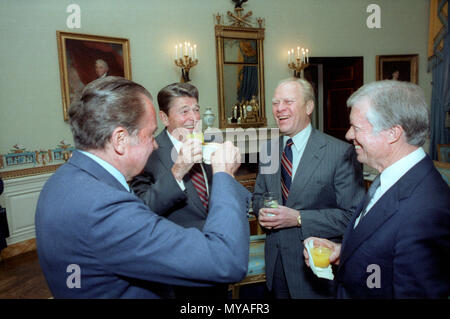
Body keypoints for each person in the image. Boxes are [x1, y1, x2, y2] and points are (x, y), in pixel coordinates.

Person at [35, 76, 250, 298]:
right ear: (120, 139)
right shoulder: (105, 208)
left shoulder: (61, 181)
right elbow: (227, 260)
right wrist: (224, 172)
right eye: (149, 134)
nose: (155, 143)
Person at [304, 80, 450, 298]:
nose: (348, 135)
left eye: (356, 127)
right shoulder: (392, 178)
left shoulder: (425, 209)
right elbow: (386, 252)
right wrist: (343, 251)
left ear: (392, 133)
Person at [253, 78, 365, 298]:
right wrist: (262, 211)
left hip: (316, 269)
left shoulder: (340, 153)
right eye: (275, 103)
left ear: (309, 107)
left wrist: (299, 218)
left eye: (288, 102)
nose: (279, 109)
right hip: (275, 266)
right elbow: (258, 197)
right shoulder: (268, 150)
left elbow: (353, 216)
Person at [130, 82, 228, 299]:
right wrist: (178, 171)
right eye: (184, 111)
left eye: (196, 109)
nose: (194, 118)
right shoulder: (148, 153)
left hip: (215, 257)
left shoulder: (210, 144)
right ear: (164, 118)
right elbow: (142, 209)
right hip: (177, 265)